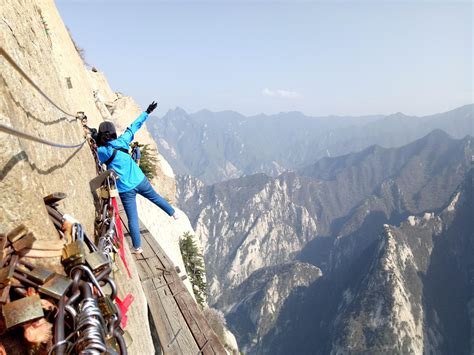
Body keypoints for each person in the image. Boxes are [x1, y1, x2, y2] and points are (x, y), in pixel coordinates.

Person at [96, 101, 177, 254]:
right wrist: (147, 111)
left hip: (126, 189)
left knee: (133, 218)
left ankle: (137, 247)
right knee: (156, 197)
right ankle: (173, 213)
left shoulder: (103, 151)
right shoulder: (123, 140)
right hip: (140, 179)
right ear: (113, 133)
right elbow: (134, 126)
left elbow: (94, 149)